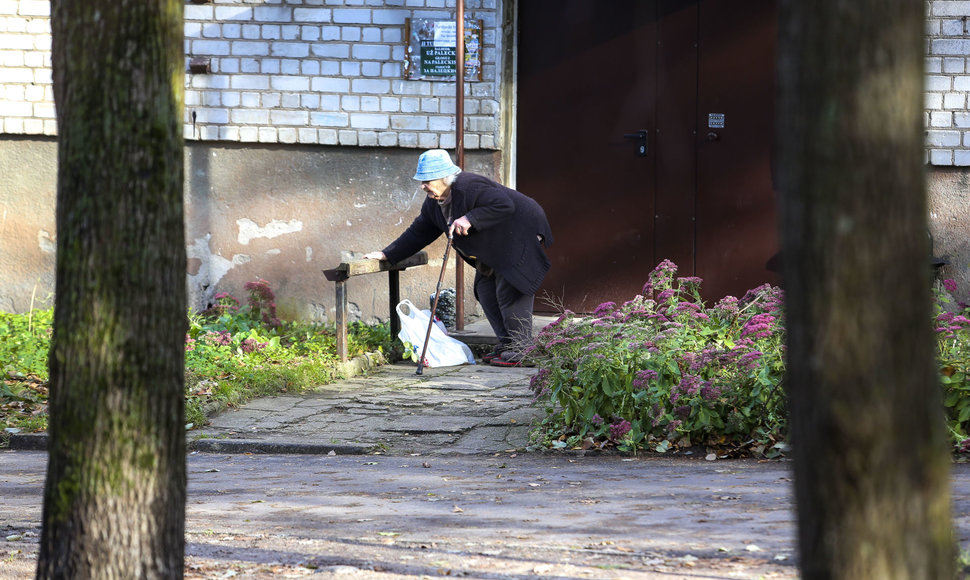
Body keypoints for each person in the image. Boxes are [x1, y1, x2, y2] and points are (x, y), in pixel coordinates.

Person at [364, 149, 554, 367]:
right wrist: (388, 253)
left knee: (510, 289)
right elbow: (418, 232)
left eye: (427, 181)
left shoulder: (469, 186)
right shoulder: (434, 203)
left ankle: (522, 350)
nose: (423, 186)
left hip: (521, 235)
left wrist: (469, 218)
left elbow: (504, 205)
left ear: (445, 178)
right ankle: (508, 345)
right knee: (485, 290)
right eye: (421, 181)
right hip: (496, 246)